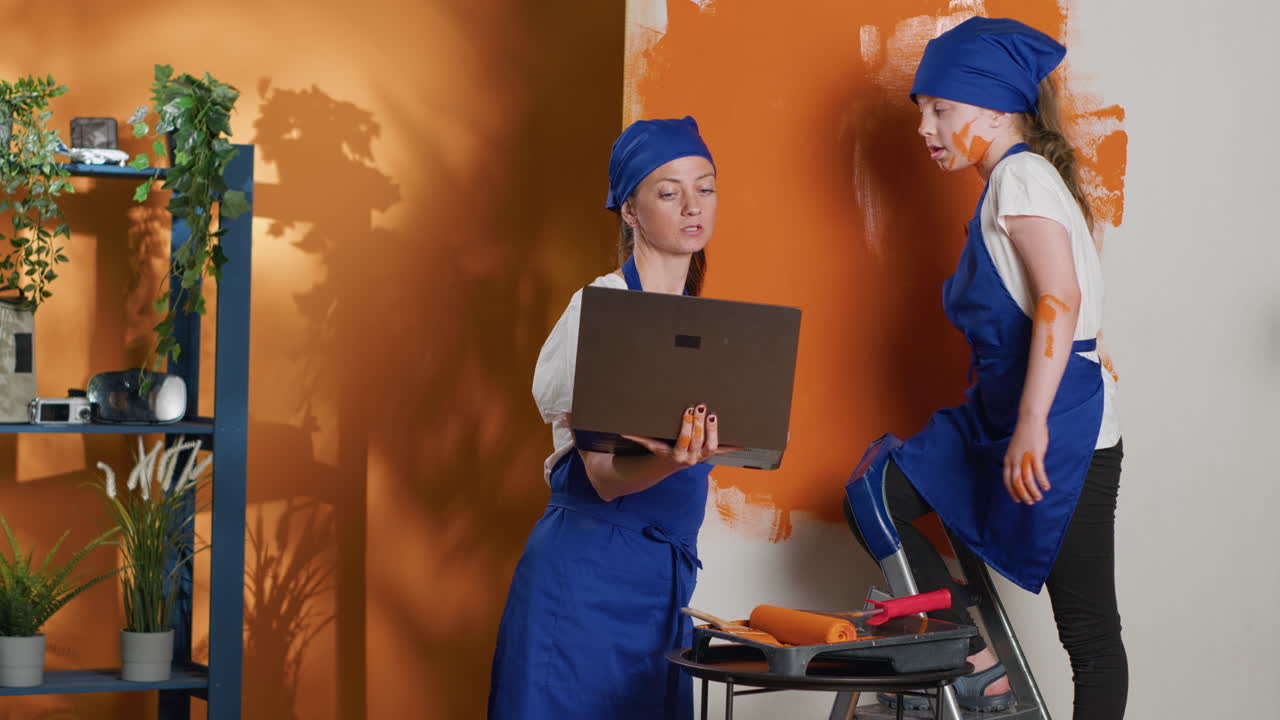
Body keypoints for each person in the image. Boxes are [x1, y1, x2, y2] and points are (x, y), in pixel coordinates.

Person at [857, 17, 1127, 719]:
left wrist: (1033, 421)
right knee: (876, 490)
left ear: (998, 107)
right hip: (1003, 413)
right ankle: (973, 660)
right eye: (922, 112)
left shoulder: (1021, 179)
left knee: (1090, 636)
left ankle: (969, 662)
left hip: (1063, 425)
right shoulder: (1013, 182)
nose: (926, 129)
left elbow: (1057, 300)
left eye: (942, 110)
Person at [488, 116, 740, 720]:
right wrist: (670, 461)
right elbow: (601, 476)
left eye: (704, 188)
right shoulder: (598, 311)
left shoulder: (712, 332)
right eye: (668, 191)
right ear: (629, 210)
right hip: (582, 585)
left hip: (663, 592)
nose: (691, 206)